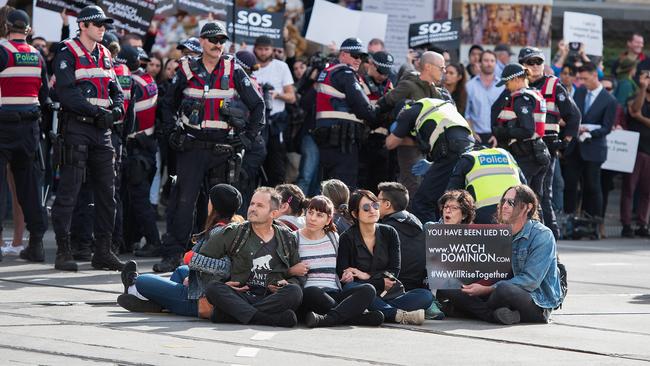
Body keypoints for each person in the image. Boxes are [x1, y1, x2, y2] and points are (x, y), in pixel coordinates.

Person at [156, 22, 264, 273]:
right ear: (202, 41)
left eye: (222, 40)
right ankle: (174, 255)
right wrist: (172, 132)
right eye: (213, 39)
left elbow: (258, 106)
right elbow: (167, 104)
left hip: (222, 149)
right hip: (192, 147)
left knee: (221, 205)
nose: (218, 44)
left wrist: (247, 137)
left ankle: (220, 254)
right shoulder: (186, 68)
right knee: (183, 202)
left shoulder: (233, 68)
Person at [50, 5, 125, 271]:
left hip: (102, 131)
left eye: (104, 24)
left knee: (107, 193)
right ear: (82, 25)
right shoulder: (66, 51)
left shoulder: (105, 53)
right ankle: (63, 251)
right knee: (69, 191)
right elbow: (67, 93)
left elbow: (116, 90)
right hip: (77, 128)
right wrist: (98, 112)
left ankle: (102, 251)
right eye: (97, 24)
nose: (103, 28)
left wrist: (117, 109)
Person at [437, 185, 563, 325]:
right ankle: (494, 315)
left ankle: (470, 311)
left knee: (503, 289)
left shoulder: (542, 235)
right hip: (496, 297)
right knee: (447, 285)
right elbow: (487, 270)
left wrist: (487, 289)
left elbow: (530, 281)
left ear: (527, 207)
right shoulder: (498, 232)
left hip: (534, 300)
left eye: (511, 202)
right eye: (504, 201)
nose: (505, 206)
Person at [116, 184, 242, 316]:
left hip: (200, 300)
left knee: (143, 280)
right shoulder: (232, 226)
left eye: (210, 200)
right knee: (181, 271)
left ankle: (133, 288)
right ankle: (159, 303)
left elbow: (225, 268)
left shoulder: (219, 232)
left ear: (214, 206)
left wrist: (192, 259)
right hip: (209, 288)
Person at [202, 187, 304, 328]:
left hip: (270, 297)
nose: (253, 208)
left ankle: (231, 314)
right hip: (240, 294)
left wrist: (287, 283)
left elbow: (298, 275)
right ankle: (265, 319)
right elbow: (200, 259)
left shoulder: (287, 237)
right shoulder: (235, 232)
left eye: (260, 205)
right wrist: (222, 281)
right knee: (213, 288)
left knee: (295, 292)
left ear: (273, 213)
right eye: (252, 204)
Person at [337, 190, 434, 325]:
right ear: (355, 214)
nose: (373, 210)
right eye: (366, 208)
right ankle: (397, 315)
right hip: (363, 292)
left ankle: (379, 311)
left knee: (425, 296)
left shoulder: (389, 232)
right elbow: (345, 276)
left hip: (388, 293)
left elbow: (394, 271)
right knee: (354, 289)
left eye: (375, 205)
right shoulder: (347, 238)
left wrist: (366, 276)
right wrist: (377, 281)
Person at [0, 9, 49, 264]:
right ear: (28, 30)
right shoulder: (38, 56)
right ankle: (36, 243)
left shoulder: (2, 51)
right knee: (29, 188)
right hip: (29, 128)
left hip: (3, 124)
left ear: (7, 27)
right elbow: (45, 96)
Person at [292, 195, 384, 327]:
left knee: (368, 289)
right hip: (310, 295)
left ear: (328, 219)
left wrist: (346, 273)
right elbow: (283, 269)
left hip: (334, 293)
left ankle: (327, 319)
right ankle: (355, 318)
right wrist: (292, 270)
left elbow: (342, 267)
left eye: (319, 215)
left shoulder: (333, 237)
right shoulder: (294, 237)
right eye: (310, 213)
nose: (312, 218)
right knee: (312, 291)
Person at [519, 47, 581, 240]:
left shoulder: (553, 84)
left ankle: (550, 239)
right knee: (521, 193)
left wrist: (565, 141)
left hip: (545, 147)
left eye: (539, 62)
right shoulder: (518, 84)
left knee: (544, 194)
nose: (536, 66)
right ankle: (526, 234)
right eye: (531, 62)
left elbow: (574, 115)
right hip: (521, 148)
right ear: (522, 64)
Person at [377, 51, 453, 199]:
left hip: (430, 148)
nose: (444, 72)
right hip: (408, 145)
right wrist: (396, 129)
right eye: (441, 67)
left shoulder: (438, 92)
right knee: (412, 187)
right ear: (428, 67)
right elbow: (382, 105)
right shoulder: (408, 86)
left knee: (427, 188)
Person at [386, 97, 474, 223]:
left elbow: (391, 143)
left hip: (449, 151)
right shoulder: (436, 103)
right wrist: (433, 165)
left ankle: (430, 241)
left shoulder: (407, 113)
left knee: (423, 201)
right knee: (450, 197)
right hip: (467, 147)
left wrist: (396, 128)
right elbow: (446, 132)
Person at [312, 37, 379, 188]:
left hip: (327, 138)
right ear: (343, 54)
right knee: (344, 188)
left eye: (361, 57)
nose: (358, 60)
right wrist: (378, 116)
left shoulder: (327, 71)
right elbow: (363, 108)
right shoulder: (345, 73)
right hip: (343, 141)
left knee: (328, 187)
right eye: (355, 56)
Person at [492, 63, 550, 214]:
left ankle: (529, 234)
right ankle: (544, 234)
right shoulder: (535, 94)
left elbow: (527, 130)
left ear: (517, 79)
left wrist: (503, 132)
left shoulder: (521, 99)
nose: (506, 86)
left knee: (524, 200)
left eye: (507, 82)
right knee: (536, 199)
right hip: (538, 151)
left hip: (526, 154)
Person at [563, 63, 617, 220]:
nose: (582, 82)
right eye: (580, 79)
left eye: (585, 78)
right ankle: (568, 218)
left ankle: (594, 221)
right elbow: (571, 115)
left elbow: (607, 127)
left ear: (595, 76)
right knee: (570, 184)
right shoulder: (579, 92)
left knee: (592, 186)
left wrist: (590, 132)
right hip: (575, 147)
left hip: (594, 148)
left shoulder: (609, 100)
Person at [123, 48, 162, 258]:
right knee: (136, 198)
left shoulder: (132, 82)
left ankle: (153, 241)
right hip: (147, 146)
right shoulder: (148, 80)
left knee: (138, 199)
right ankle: (130, 240)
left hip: (136, 147)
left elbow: (127, 115)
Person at [252, 35, 296, 186]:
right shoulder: (250, 66)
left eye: (266, 49)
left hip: (276, 124)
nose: (263, 53)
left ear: (272, 50)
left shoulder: (281, 66)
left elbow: (292, 97)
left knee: (276, 166)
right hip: (255, 123)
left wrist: (278, 95)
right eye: (260, 49)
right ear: (254, 49)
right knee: (253, 166)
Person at [447, 146, 525, 224]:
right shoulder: (506, 155)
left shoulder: (468, 159)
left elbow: (452, 194)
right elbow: (525, 186)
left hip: (485, 217)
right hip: (516, 212)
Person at [377, 182, 426, 292]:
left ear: (387, 204)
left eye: (377, 200)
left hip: (391, 289)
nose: (374, 204)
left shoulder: (386, 229)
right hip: (416, 287)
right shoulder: (417, 222)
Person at [358, 51, 395, 191]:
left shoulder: (391, 86)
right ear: (371, 65)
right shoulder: (360, 82)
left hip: (384, 142)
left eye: (386, 73)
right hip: (365, 139)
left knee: (381, 183)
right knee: (363, 182)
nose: (383, 76)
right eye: (380, 72)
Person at [621, 71, 650, 237]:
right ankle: (626, 224)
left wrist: (640, 118)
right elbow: (635, 109)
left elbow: (637, 114)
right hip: (634, 150)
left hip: (649, 152)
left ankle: (642, 223)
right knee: (628, 189)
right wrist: (643, 89)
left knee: (647, 191)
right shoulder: (634, 96)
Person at [465, 50, 504, 145]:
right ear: (480, 63)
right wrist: (472, 133)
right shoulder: (469, 86)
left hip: (498, 136)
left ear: (496, 63)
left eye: (492, 61)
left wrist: (498, 134)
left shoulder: (502, 86)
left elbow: (505, 113)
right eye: (486, 60)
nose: (489, 64)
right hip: (476, 136)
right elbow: (467, 114)